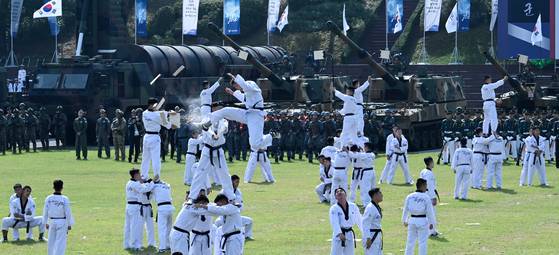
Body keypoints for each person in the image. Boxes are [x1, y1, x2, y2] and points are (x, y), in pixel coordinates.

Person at [141, 98, 173, 179]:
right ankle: (157, 177)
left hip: (146, 137)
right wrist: (172, 115)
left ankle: (144, 176)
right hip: (154, 137)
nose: (157, 107)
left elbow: (157, 113)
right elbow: (168, 126)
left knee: (145, 159)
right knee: (156, 159)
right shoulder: (158, 115)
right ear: (152, 105)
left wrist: (166, 113)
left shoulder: (144, 113)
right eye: (156, 105)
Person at [402, 178, 436, 255]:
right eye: (426, 185)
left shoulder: (409, 196)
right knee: (422, 242)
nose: (426, 187)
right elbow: (430, 212)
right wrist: (432, 223)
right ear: (423, 186)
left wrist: (404, 220)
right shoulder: (426, 197)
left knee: (410, 241)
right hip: (422, 220)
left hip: (412, 220)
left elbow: (405, 209)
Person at [123, 169, 154, 251]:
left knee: (128, 226)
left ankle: (126, 244)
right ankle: (135, 245)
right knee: (135, 226)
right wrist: (151, 182)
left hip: (129, 206)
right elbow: (144, 189)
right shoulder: (135, 184)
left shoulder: (129, 183)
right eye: (139, 174)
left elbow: (141, 186)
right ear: (136, 175)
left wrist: (142, 181)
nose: (140, 176)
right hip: (135, 206)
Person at [42, 180, 74, 255]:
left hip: (52, 221)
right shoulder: (65, 198)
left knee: (51, 241)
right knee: (60, 242)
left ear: (53, 187)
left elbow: (45, 211)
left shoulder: (49, 198)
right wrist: (69, 224)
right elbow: (68, 212)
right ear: (62, 187)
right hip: (62, 221)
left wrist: (45, 222)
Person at [329, 188, 362, 255]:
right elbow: (334, 222)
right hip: (339, 235)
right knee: (335, 253)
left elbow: (359, 220)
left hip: (349, 233)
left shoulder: (353, 206)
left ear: (345, 194)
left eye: (341, 191)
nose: (339, 192)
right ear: (335, 197)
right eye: (337, 192)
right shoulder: (334, 208)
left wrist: (365, 232)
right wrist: (339, 233)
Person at [152, 179, 175, 253]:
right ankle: (168, 246)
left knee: (162, 229)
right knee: (169, 228)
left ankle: (162, 248)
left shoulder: (154, 186)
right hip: (170, 208)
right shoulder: (167, 185)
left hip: (162, 208)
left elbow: (152, 198)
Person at [419, 157, 439, 236]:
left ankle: (430, 230)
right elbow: (429, 186)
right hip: (428, 194)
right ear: (430, 163)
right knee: (431, 213)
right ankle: (431, 231)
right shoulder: (429, 173)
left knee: (427, 213)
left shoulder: (423, 171)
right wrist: (433, 197)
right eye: (432, 162)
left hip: (424, 193)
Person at [231, 175, 254, 240]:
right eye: (236, 182)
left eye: (238, 182)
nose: (237, 184)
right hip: (227, 217)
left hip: (236, 216)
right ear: (231, 182)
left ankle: (247, 236)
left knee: (249, 221)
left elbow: (241, 204)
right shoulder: (225, 191)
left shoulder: (238, 191)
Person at [362, 188, 383, 255]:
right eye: (380, 193)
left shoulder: (376, 206)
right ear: (375, 195)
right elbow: (365, 223)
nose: (382, 195)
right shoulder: (370, 208)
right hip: (371, 236)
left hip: (377, 235)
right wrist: (368, 238)